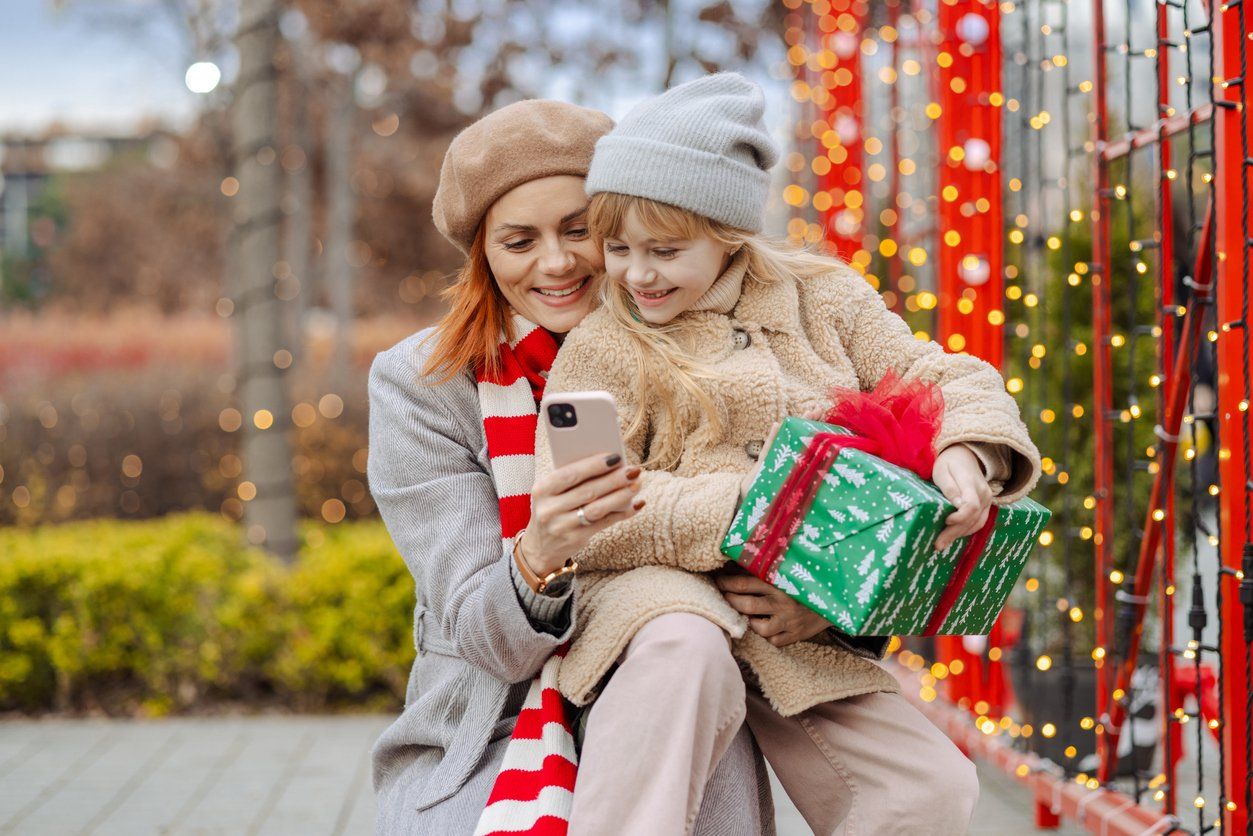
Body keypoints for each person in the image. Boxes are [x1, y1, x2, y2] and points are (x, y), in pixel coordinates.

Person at [535, 72, 1043, 834]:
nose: (637, 275)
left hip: (796, 617)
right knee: (681, 654)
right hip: (660, 599)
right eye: (617, 249)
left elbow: (941, 374)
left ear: (727, 232)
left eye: (665, 250)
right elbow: (590, 509)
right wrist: (764, 515)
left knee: (927, 790)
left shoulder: (822, 301)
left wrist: (966, 448)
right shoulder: (601, 347)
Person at [367, 97, 775, 835]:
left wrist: (808, 614)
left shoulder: (712, 342)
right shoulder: (424, 384)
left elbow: (799, 509)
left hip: (681, 684)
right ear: (482, 254)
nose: (555, 264)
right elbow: (479, 635)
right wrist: (537, 555)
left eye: (579, 229)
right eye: (518, 241)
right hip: (494, 716)